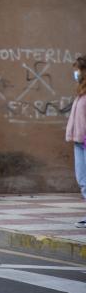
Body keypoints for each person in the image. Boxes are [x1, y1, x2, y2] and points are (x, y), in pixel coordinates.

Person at [66, 56, 86, 228]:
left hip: (85, 141)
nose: (75, 73)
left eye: (77, 69)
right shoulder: (81, 92)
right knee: (82, 180)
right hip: (79, 141)